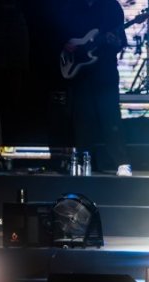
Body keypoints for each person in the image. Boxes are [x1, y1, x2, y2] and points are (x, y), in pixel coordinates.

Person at [52, 0, 132, 176]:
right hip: (80, 73)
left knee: (110, 116)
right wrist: (66, 44)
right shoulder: (72, 7)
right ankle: (83, 161)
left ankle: (122, 162)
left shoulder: (111, 6)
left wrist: (114, 41)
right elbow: (58, 32)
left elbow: (121, 41)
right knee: (82, 119)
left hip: (105, 71)